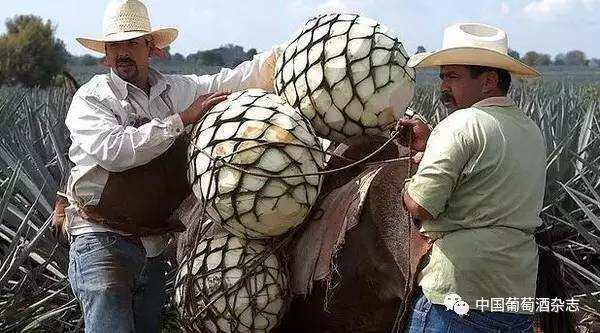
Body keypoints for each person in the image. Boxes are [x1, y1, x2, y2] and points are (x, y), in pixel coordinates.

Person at [64, 0, 279, 331]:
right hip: (100, 241)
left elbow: (237, 80)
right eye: (115, 44)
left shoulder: (178, 90)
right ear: (105, 54)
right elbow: (114, 151)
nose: (123, 52)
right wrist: (180, 120)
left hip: (152, 246)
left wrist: (293, 51)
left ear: (152, 48)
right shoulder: (92, 99)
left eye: (133, 42)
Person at [397, 22, 545, 332]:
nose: (443, 87)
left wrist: (407, 181)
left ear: (489, 80)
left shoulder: (459, 124)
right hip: (515, 297)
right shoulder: (531, 130)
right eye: (442, 77)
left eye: (453, 77)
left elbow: (421, 206)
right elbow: (485, 177)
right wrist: (429, 148)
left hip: (459, 295)